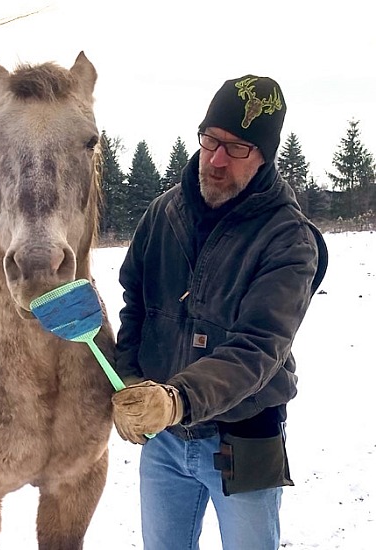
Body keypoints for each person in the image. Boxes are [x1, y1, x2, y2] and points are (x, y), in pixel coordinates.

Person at [111, 75, 328, 550]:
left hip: (244, 437)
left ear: (265, 155)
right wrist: (129, 381)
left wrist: (177, 398)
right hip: (164, 440)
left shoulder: (289, 238)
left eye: (236, 148)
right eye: (210, 139)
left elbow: (258, 346)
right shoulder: (162, 215)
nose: (215, 159)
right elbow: (135, 306)